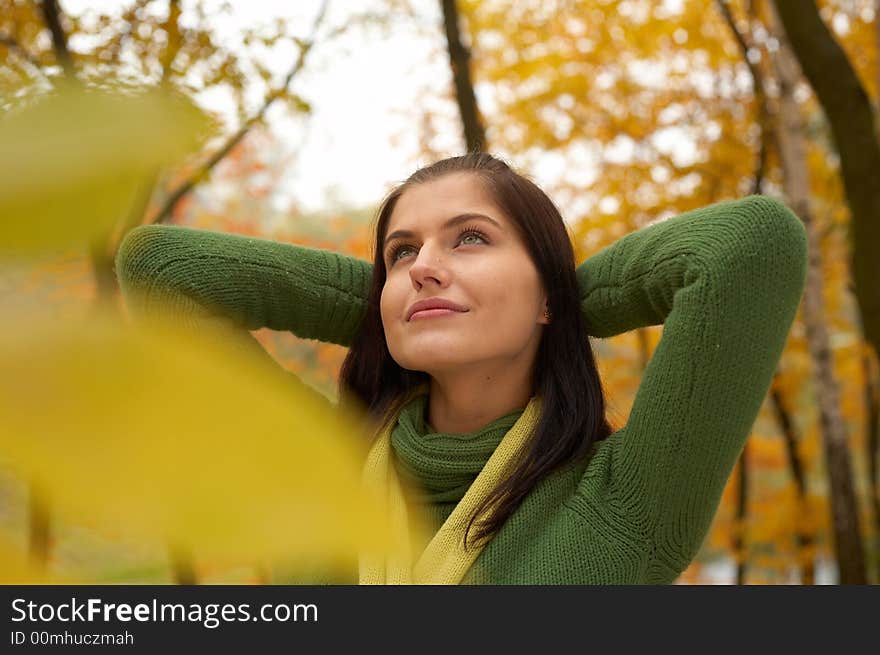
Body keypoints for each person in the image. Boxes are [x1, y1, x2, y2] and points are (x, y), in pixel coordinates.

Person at [115, 153, 808, 584]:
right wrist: (393, 313)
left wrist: (562, 299)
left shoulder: (626, 498)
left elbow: (748, 247)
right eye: (400, 253)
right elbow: (160, 269)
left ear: (546, 291)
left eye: (470, 237)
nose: (425, 268)